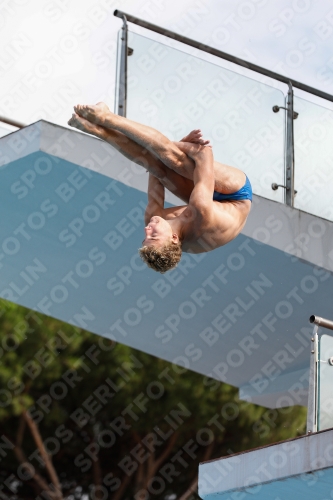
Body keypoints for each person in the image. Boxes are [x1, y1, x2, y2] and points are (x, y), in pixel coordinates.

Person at [68, 103, 252, 273]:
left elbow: (154, 167)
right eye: (153, 236)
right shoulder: (201, 212)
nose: (147, 230)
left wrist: (165, 149)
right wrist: (173, 147)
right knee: (177, 162)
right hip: (237, 196)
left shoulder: (154, 219)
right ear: (173, 238)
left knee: (159, 167)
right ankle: (106, 117)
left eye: (145, 237)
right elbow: (203, 152)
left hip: (209, 200)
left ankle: (97, 130)